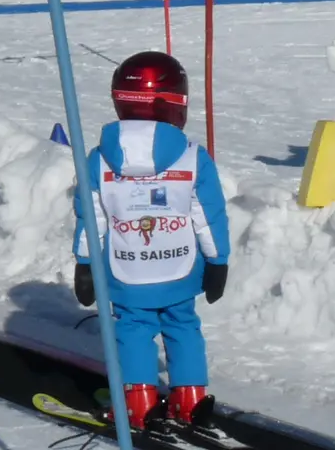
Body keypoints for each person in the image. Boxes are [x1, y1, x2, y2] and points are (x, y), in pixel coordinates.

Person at [71, 52, 230, 434]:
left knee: (134, 329)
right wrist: (217, 260)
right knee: (183, 325)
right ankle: (189, 399)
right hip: (179, 267)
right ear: (177, 103)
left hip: (129, 270)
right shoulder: (193, 159)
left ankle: (139, 402)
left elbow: (91, 218)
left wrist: (85, 261)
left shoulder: (99, 160)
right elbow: (207, 215)